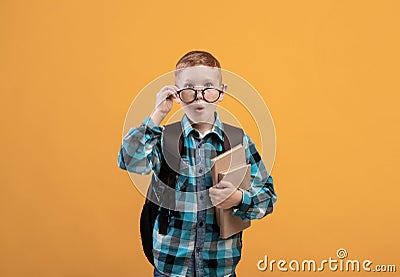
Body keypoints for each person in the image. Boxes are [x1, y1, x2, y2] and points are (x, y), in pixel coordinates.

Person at [118, 50, 277, 277]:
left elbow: (267, 197)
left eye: (208, 87)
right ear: (178, 93)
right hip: (171, 268)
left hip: (220, 268)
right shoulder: (163, 139)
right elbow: (128, 160)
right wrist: (158, 114)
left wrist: (239, 199)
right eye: (189, 88)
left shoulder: (238, 141)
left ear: (222, 92)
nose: (199, 95)